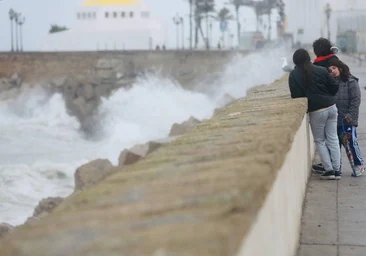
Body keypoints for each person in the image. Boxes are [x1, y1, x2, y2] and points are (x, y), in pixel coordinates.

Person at [289, 49, 340, 180]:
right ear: (308, 58)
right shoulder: (321, 70)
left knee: (320, 140)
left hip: (317, 110)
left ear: (295, 61)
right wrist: (327, 95)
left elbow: (296, 96)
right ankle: (337, 169)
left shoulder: (294, 74)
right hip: (332, 107)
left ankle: (329, 170)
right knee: (333, 138)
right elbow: (334, 85)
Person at [328, 59, 365, 177]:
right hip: (334, 120)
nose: (332, 71)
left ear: (340, 68)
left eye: (334, 68)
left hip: (348, 120)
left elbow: (356, 100)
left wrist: (350, 115)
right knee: (335, 145)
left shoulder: (351, 81)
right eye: (330, 70)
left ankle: (359, 165)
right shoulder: (331, 83)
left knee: (351, 144)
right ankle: (336, 167)